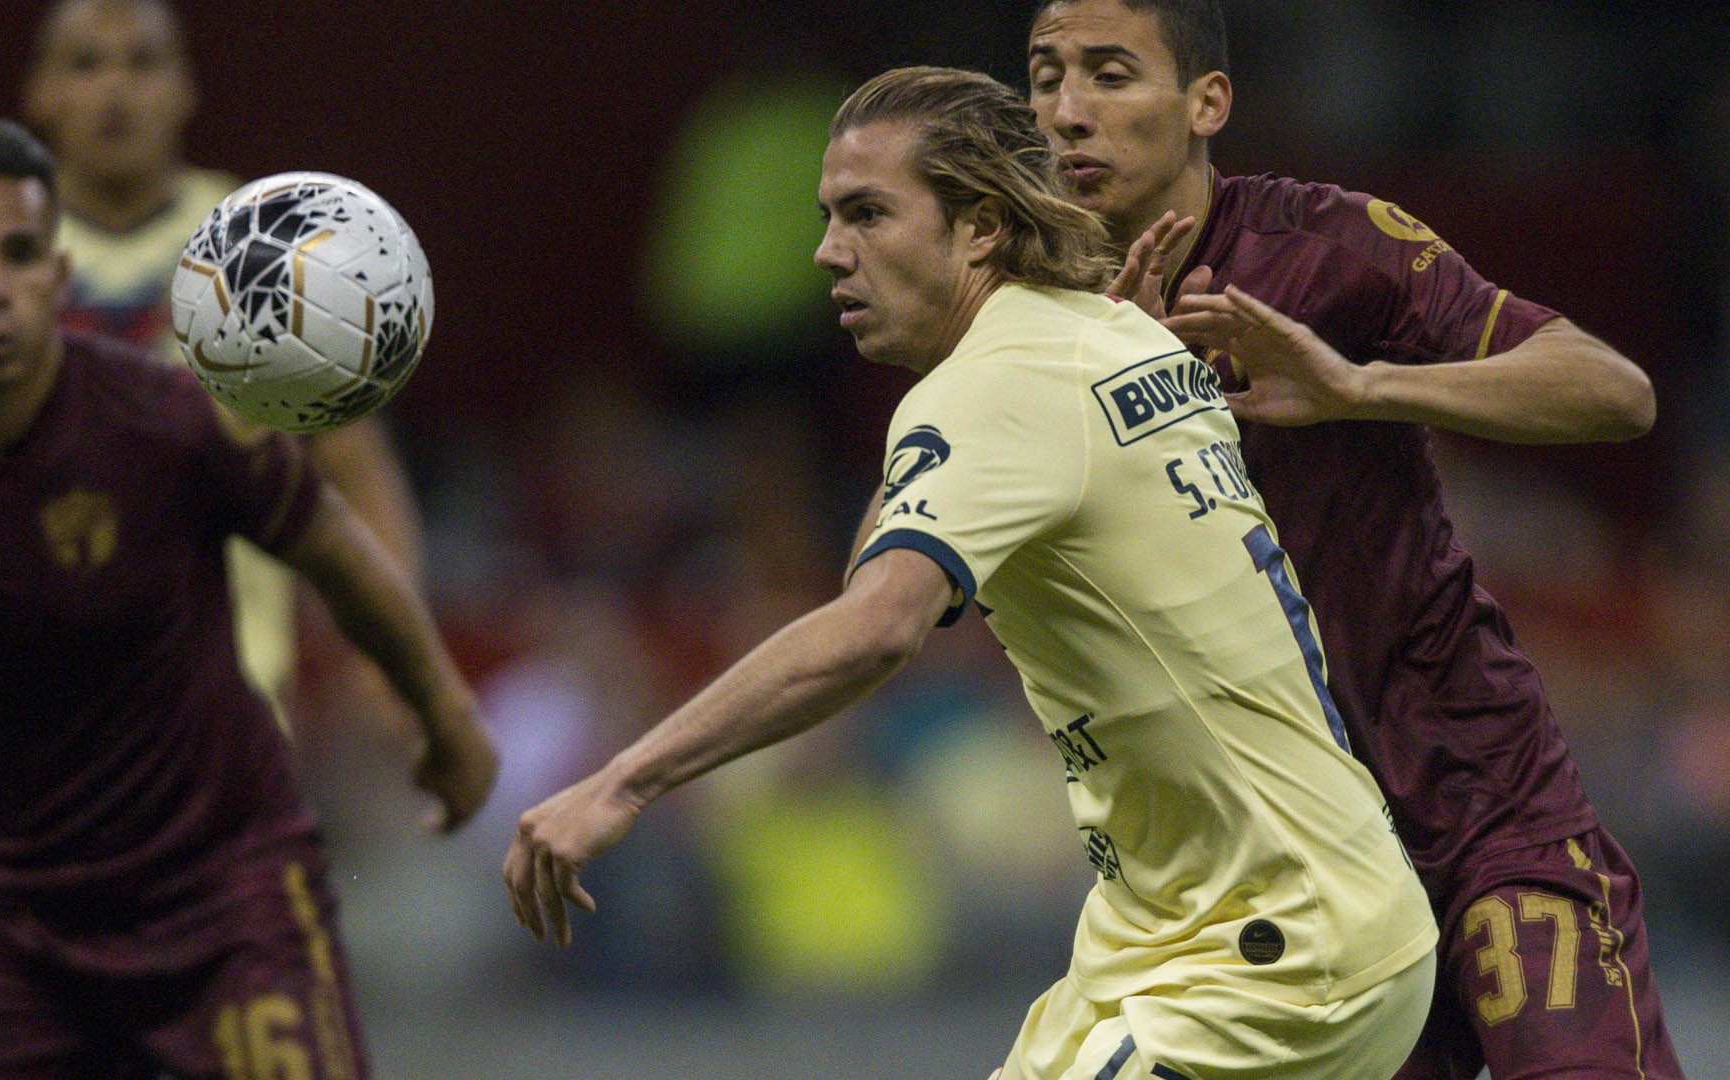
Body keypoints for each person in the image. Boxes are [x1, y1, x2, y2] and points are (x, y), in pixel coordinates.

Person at [506, 66, 1438, 1079]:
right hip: (1192, 939)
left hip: (1269, 960)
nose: (826, 251)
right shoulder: (1103, 333)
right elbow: (893, 561)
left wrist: (624, 780)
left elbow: (878, 626)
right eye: (827, 217)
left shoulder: (1005, 384)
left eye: (868, 213)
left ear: (982, 227)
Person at [1019, 2, 1685, 1077]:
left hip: (1476, 791)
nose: (1067, 112)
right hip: (1289, 879)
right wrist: (1089, 391)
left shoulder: (1326, 249)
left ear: (1207, 103)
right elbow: (914, 556)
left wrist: (1359, 387)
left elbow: (1615, 391)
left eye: (1108, 74)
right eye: (1046, 78)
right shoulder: (1034, 324)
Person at [0, 117, 497, 1075]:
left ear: (58, 280)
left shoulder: (168, 425)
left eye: (19, 256)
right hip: (19, 928)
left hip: (225, 905)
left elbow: (338, 552)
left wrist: (446, 714)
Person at [21, 0, 427, 725]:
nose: (115, 88)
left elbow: (358, 468)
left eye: (142, 63)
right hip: (36, 711)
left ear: (185, 89)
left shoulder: (263, 247)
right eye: (85, 64)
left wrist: (394, 653)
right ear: (40, 92)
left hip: (233, 708)